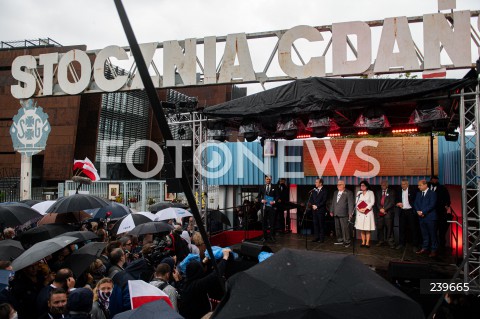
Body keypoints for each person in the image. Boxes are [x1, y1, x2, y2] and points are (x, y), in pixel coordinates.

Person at [179, 249, 231, 319]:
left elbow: (196, 270)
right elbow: (215, 275)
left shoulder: (187, 282)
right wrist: (225, 258)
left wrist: (204, 261)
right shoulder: (196, 286)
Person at [414, 179, 438, 257]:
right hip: (421, 218)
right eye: (418, 185)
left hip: (430, 218)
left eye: (420, 185)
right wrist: (418, 211)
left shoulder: (432, 193)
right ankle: (424, 248)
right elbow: (416, 203)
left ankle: (433, 250)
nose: (418, 187)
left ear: (425, 185)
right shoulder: (418, 194)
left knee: (432, 234)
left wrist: (423, 212)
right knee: (424, 234)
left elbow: (432, 205)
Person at [395, 178, 420, 252]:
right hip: (402, 211)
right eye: (402, 184)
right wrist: (397, 204)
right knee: (401, 228)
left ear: (408, 184)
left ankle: (415, 245)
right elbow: (396, 201)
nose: (403, 185)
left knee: (413, 228)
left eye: (404, 184)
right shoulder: (399, 191)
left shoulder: (413, 191)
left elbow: (416, 200)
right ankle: (401, 243)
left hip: (411, 211)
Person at [428, 175, 451, 252]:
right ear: (431, 180)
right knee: (431, 230)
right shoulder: (427, 187)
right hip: (429, 213)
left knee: (441, 231)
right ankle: (431, 246)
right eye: (433, 179)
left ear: (437, 180)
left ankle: (441, 247)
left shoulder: (442, 188)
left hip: (440, 213)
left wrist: (447, 205)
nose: (434, 181)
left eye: (436, 179)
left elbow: (447, 198)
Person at [330, 180, 354, 248]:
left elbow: (350, 204)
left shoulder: (349, 192)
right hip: (336, 212)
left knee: (345, 228)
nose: (338, 186)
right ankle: (340, 240)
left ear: (344, 185)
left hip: (344, 213)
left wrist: (350, 213)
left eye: (340, 184)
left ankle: (347, 241)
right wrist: (331, 210)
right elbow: (333, 202)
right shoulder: (335, 192)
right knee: (337, 228)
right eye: (337, 184)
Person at [256, 175, 279, 242]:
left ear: (271, 179)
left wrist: (274, 201)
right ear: (265, 179)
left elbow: (278, 196)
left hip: (272, 207)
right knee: (264, 222)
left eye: (269, 179)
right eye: (267, 179)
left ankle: (272, 236)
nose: (268, 180)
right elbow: (258, 197)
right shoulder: (261, 187)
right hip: (264, 207)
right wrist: (261, 200)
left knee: (272, 222)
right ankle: (264, 237)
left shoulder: (275, 186)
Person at [374, 180, 396, 248]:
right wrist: (380, 209)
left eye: (384, 185)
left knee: (389, 228)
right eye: (381, 185)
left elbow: (392, 202)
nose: (382, 186)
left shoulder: (392, 192)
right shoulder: (378, 192)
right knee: (380, 228)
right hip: (379, 213)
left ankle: (390, 242)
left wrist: (385, 209)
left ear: (387, 185)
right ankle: (381, 241)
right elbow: (377, 202)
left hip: (388, 213)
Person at [355, 180, 376, 248]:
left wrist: (365, 208)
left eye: (363, 185)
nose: (362, 186)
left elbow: (372, 202)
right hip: (360, 213)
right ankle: (363, 242)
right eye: (361, 185)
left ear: (366, 186)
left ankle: (367, 243)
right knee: (362, 228)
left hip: (367, 212)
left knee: (367, 228)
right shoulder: (359, 193)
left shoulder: (370, 192)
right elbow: (357, 202)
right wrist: (359, 209)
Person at [308, 178, 328, 243]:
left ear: (320, 183)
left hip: (321, 210)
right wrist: (313, 205)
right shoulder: (313, 190)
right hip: (314, 210)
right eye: (315, 182)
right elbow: (311, 199)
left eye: (316, 182)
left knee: (321, 224)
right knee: (315, 224)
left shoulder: (325, 191)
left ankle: (321, 238)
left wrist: (317, 206)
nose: (315, 183)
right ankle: (316, 237)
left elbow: (324, 201)